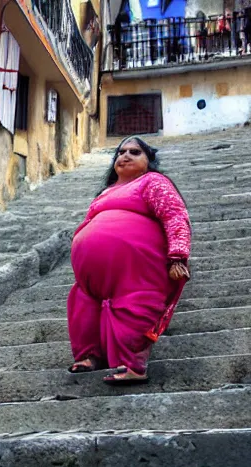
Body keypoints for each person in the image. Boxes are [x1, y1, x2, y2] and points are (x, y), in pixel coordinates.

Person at [67, 136, 191, 384]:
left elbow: (174, 216)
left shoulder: (154, 182)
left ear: (149, 161)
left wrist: (178, 256)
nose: (125, 156)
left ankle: (133, 366)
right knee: (83, 308)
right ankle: (90, 356)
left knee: (134, 307)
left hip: (138, 269)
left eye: (135, 152)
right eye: (121, 152)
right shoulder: (105, 193)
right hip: (92, 274)